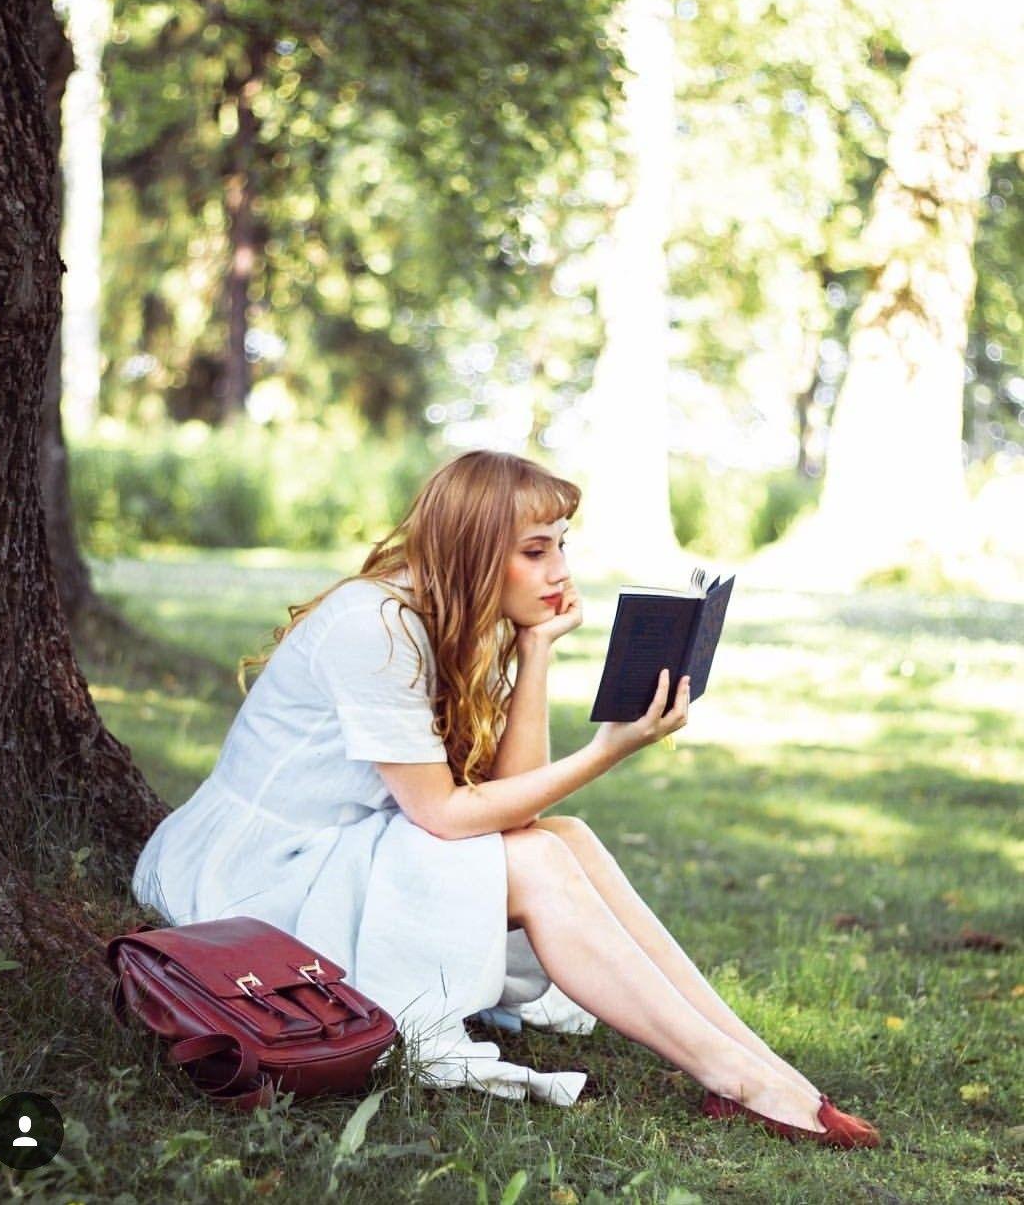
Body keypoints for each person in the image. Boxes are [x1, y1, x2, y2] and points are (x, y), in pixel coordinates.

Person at [132, 449, 880, 1144]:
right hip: (258, 880)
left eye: (561, 546)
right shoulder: (376, 627)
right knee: (540, 860)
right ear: (471, 551)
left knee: (565, 837)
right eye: (535, 550)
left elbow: (519, 808)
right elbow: (441, 813)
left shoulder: (458, 618)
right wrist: (605, 751)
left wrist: (536, 650)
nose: (560, 571)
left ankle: (756, 1063)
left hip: (342, 849)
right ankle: (736, 1077)